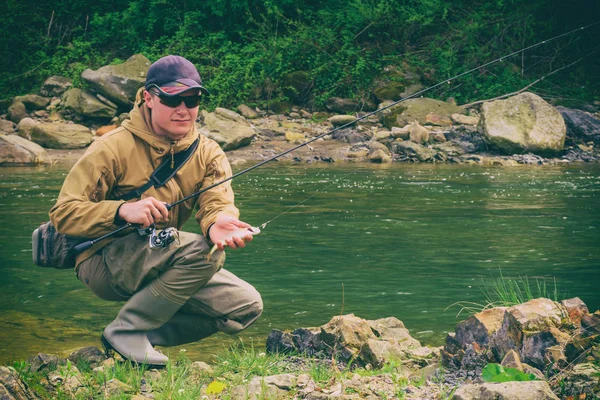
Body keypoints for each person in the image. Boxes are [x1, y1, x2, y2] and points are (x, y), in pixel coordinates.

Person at [49, 55, 263, 366]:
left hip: (162, 257)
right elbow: (64, 213)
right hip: (100, 261)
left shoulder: (208, 152)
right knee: (202, 253)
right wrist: (122, 210)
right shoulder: (111, 147)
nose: (183, 109)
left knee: (244, 305)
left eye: (192, 99)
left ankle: (135, 339)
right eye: (172, 98)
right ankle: (126, 331)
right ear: (148, 98)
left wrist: (217, 223)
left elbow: (217, 203)